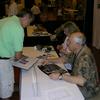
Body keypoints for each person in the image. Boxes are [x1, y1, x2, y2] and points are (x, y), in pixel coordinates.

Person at [49, 32, 100, 99]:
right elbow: (64, 59)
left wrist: (60, 76)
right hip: (79, 83)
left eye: (70, 42)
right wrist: (49, 60)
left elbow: (82, 81)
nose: (67, 43)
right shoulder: (77, 50)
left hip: (89, 90)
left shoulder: (85, 57)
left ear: (77, 44)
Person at [0, 8, 34, 100]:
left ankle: (11, 87)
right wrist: (27, 59)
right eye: (29, 22)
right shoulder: (18, 28)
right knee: (5, 91)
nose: (28, 25)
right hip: (3, 62)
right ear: (26, 17)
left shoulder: (5, 19)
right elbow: (18, 56)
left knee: (2, 83)